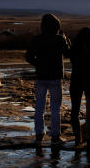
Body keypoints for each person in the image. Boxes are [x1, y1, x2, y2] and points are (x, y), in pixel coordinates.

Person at [25, 13, 71, 146]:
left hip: (41, 76)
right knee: (55, 108)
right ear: (57, 26)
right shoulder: (59, 39)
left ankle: (39, 134)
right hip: (55, 76)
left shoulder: (37, 39)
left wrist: (38, 64)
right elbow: (68, 54)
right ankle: (55, 136)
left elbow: (28, 57)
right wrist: (65, 39)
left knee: (39, 106)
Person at [67, 27, 90, 146]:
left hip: (76, 79)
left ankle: (78, 138)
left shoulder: (74, 48)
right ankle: (89, 136)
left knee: (75, 110)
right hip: (88, 80)